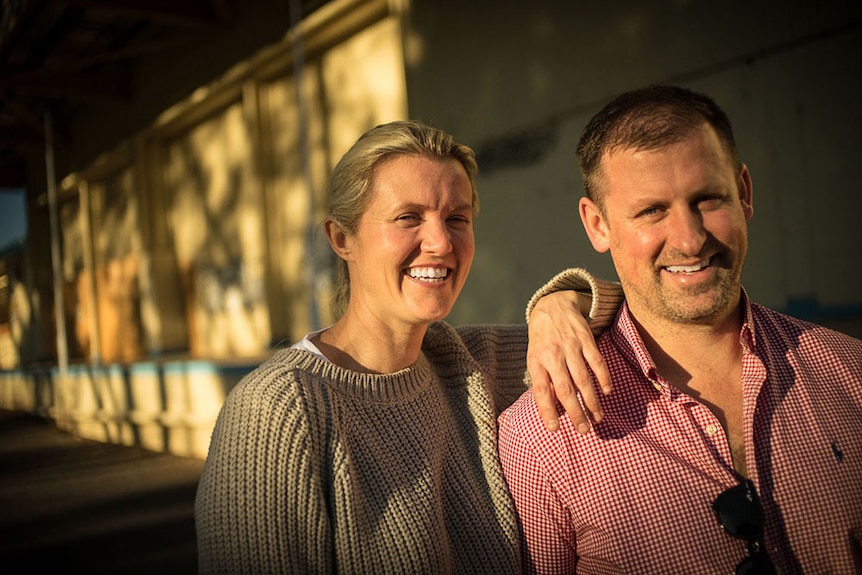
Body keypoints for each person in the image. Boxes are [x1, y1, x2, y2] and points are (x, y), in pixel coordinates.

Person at [194, 120, 624, 574]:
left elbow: (647, 312)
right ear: (342, 239)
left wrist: (559, 302)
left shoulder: (470, 362)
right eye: (408, 217)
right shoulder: (279, 409)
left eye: (457, 219)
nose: (440, 242)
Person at [498, 85, 862, 574]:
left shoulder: (850, 373)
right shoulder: (541, 441)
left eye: (708, 199)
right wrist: (553, 303)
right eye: (651, 211)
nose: (690, 240)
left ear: (744, 193)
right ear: (597, 225)